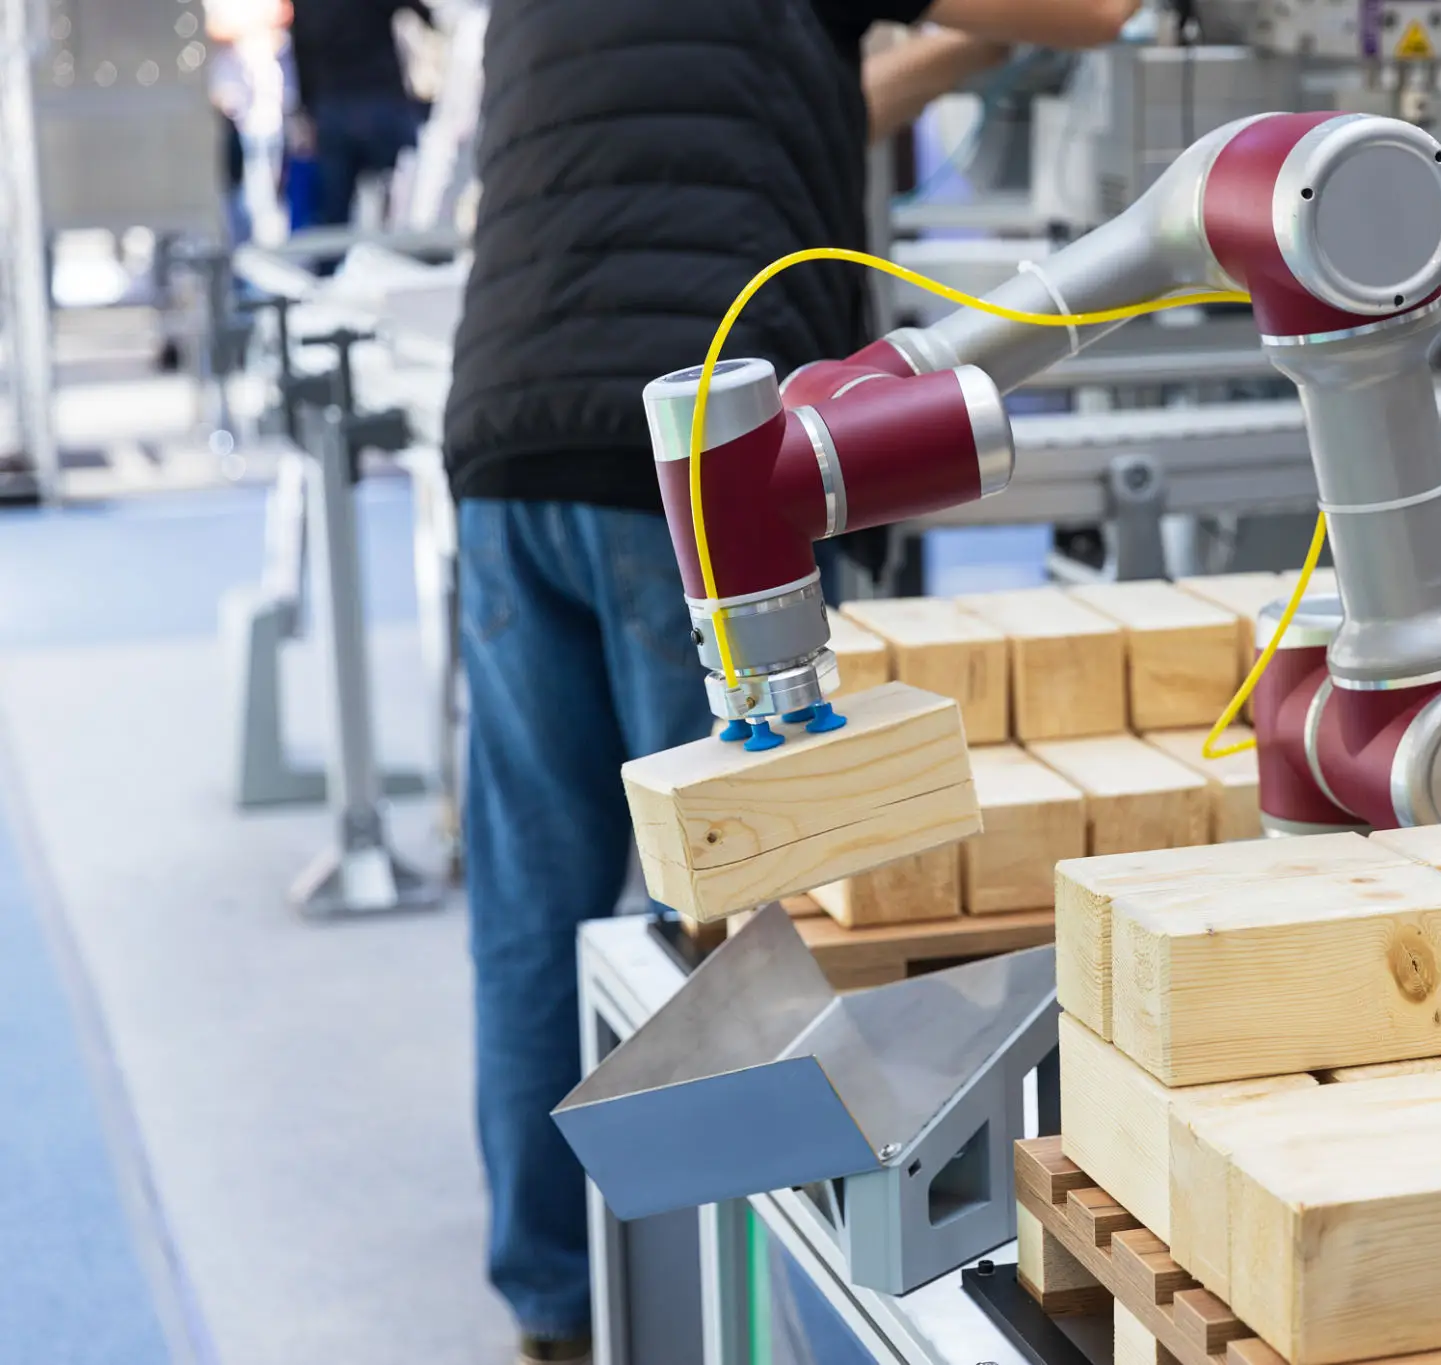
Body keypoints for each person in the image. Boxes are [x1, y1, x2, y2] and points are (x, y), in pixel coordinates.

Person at [441, 3, 1141, 1361]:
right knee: (752, 913)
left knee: (535, 895)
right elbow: (1096, 9)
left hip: (508, 438)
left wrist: (963, 54)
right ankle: (749, 1316)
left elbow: (785, 97)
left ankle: (555, 1297)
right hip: (692, 452)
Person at [288, 0, 431, 227]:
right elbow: (422, 12)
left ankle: (337, 261)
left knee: (335, 215)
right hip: (378, 103)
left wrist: (306, 111)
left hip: (333, 107)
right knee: (396, 204)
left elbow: (300, 52)